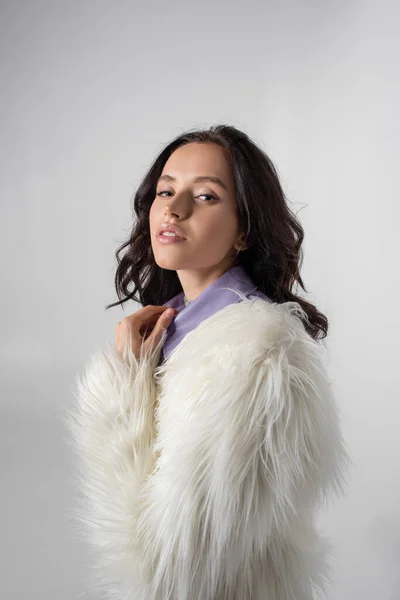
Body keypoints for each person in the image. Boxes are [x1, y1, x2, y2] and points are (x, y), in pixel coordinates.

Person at [65, 124, 351, 600]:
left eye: (205, 196)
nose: (174, 209)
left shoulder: (257, 357)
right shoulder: (180, 333)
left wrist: (122, 398)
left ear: (244, 231)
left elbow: (172, 570)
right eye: (166, 190)